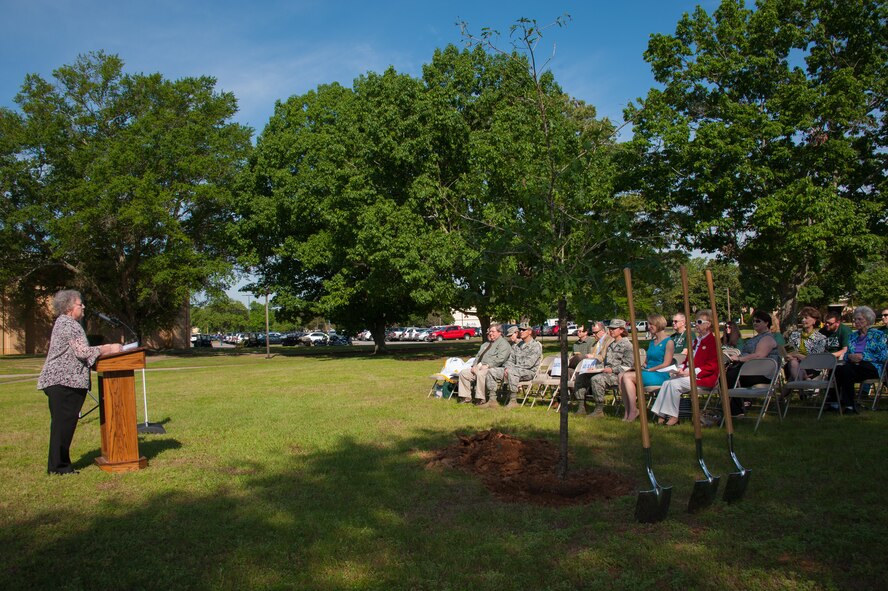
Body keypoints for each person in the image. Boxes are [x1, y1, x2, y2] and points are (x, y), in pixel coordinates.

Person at [37, 290, 122, 475]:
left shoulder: (64, 323)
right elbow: (82, 352)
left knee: (62, 426)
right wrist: (109, 348)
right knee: (63, 427)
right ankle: (59, 468)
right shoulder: (69, 324)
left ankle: (59, 466)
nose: (83, 306)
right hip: (64, 382)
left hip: (60, 382)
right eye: (79, 304)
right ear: (69, 308)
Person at [650, 310, 719, 425]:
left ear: (708, 324)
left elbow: (712, 366)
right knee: (667, 382)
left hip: (705, 378)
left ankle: (673, 416)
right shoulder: (697, 341)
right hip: (690, 375)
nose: (696, 324)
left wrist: (691, 372)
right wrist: (680, 368)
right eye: (695, 322)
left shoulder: (713, 342)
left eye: (699, 322)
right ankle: (661, 414)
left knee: (674, 384)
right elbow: (688, 360)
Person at [619, 314, 675, 421]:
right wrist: (640, 367)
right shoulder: (651, 342)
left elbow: (666, 364)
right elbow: (646, 362)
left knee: (627, 377)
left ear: (658, 324)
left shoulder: (669, 342)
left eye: (651, 324)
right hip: (648, 372)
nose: (648, 327)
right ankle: (628, 411)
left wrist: (649, 370)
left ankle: (634, 410)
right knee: (621, 375)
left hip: (660, 374)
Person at [725, 310, 781, 417]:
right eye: (754, 321)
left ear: (766, 323)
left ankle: (737, 411)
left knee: (729, 376)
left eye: (758, 321)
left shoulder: (767, 338)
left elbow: (759, 355)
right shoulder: (756, 337)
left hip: (762, 373)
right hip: (749, 370)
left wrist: (740, 359)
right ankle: (735, 408)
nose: (755, 323)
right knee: (726, 376)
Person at [831, 306, 887, 413]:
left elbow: (884, 355)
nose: (856, 322)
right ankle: (835, 403)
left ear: (868, 320)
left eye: (859, 319)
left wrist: (863, 356)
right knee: (837, 369)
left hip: (872, 367)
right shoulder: (853, 336)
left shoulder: (878, 335)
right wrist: (850, 356)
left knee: (846, 369)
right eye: (855, 319)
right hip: (853, 366)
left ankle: (849, 406)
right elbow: (847, 354)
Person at [484, 323, 542, 409]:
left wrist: (511, 369)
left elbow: (529, 363)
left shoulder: (536, 346)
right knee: (491, 371)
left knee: (512, 372)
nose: (521, 332)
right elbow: (510, 360)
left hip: (529, 372)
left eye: (523, 330)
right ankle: (492, 400)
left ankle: (513, 401)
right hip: (513, 370)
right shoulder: (516, 346)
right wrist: (507, 368)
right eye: (520, 330)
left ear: (529, 332)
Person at [582, 319, 633, 418]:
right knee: (584, 376)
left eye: (614, 329)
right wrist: (595, 368)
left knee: (597, 379)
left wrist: (612, 370)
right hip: (607, 373)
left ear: (622, 330)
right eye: (610, 328)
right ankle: (581, 406)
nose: (611, 331)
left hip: (619, 375)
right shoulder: (611, 345)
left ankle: (599, 409)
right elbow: (606, 362)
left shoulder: (627, 345)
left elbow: (628, 366)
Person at [456, 323, 511, 404]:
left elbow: (501, 359)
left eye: (493, 331)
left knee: (481, 374)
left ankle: (481, 398)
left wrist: (488, 365)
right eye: (490, 331)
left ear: (499, 332)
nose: (490, 333)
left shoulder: (504, 344)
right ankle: (466, 397)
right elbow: (478, 356)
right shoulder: (486, 344)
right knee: (463, 373)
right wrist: (474, 366)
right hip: (480, 366)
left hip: (495, 368)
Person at [784, 306, 827, 381]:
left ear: (814, 320)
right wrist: (789, 356)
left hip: (812, 367)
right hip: (792, 365)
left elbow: (814, 359)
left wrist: (797, 355)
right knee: (793, 363)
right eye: (802, 318)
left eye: (806, 318)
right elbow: (789, 352)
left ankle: (799, 387)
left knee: (793, 377)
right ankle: (802, 383)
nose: (803, 320)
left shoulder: (820, 338)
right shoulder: (794, 334)